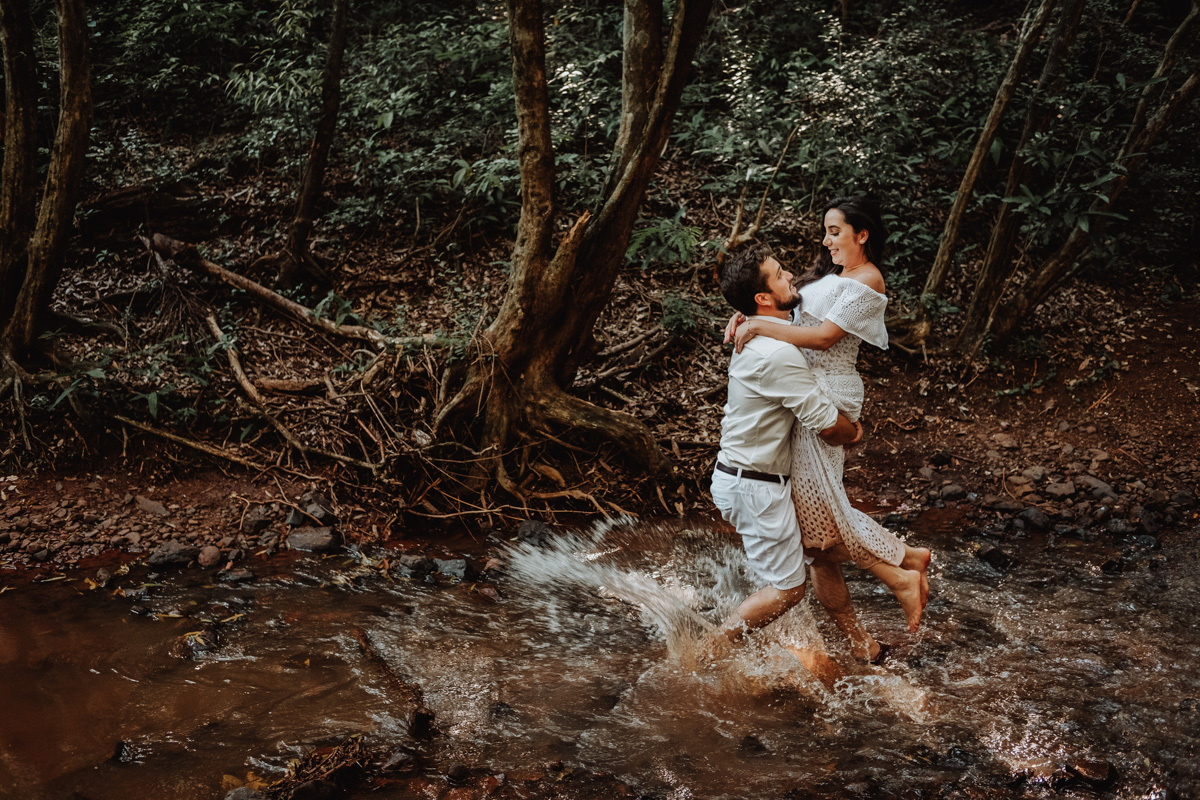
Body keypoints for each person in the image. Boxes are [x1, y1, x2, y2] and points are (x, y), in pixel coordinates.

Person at [725, 197, 930, 637]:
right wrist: (746, 312)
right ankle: (864, 640)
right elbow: (789, 306)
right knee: (814, 538)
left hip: (828, 390)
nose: (826, 240)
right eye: (826, 231)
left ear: (862, 234)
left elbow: (821, 337)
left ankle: (905, 568)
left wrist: (760, 326)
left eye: (835, 231)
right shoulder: (832, 276)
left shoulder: (869, 281)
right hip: (804, 387)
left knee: (824, 517)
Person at [710, 244, 870, 674]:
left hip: (754, 478)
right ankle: (705, 656)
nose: (791, 279)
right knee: (787, 591)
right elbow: (827, 426)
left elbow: (797, 323)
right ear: (763, 297)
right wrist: (855, 431)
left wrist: (749, 319)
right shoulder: (776, 353)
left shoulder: (770, 328)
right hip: (755, 486)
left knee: (825, 552)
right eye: (780, 275)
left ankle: (861, 645)